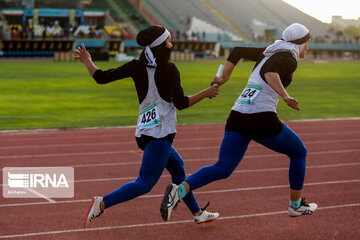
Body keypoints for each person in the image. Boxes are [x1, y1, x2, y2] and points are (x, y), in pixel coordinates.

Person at [161, 23, 318, 220]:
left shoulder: (270, 51)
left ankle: (178, 191)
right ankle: (295, 205)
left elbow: (237, 51)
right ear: (301, 43)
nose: (308, 47)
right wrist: (285, 96)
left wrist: (224, 77)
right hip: (260, 117)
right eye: (308, 43)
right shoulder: (288, 57)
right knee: (299, 152)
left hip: (238, 115)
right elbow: (270, 73)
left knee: (223, 167)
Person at [74, 26, 220, 227]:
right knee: (144, 183)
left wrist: (87, 61)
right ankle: (102, 203)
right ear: (160, 45)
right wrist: (206, 93)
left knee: (178, 168)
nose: (171, 44)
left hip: (145, 132)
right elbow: (181, 103)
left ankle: (197, 213)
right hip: (160, 134)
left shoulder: (136, 66)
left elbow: (102, 78)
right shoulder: (169, 69)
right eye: (168, 41)